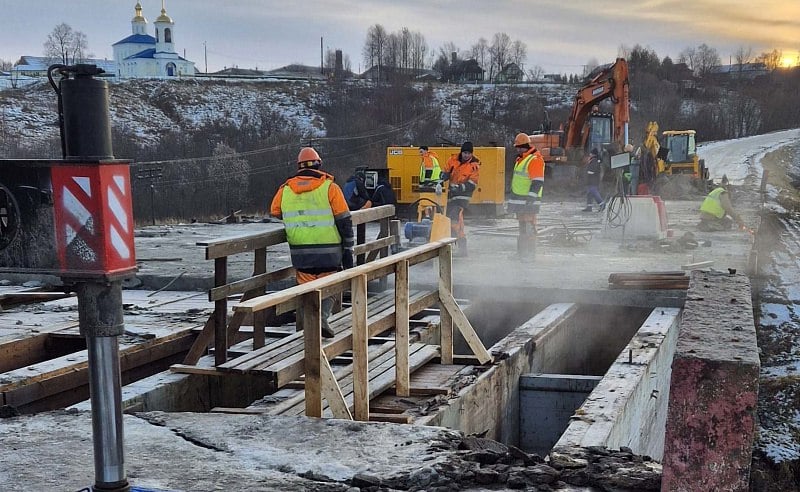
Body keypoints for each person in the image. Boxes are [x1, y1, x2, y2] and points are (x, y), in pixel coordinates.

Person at [270, 147, 355, 338]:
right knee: (330, 285)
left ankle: (307, 330)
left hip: (300, 252)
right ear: (319, 164)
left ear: (298, 167)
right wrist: (348, 248)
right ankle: (322, 319)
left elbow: (275, 211)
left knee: (307, 287)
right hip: (329, 252)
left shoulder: (285, 189)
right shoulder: (330, 187)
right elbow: (344, 220)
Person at [507, 132, 545, 259]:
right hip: (520, 200)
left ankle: (529, 253)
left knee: (529, 227)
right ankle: (522, 253)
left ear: (524, 146)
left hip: (528, 200)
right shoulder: (522, 159)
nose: (517, 149)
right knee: (523, 227)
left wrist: (531, 197)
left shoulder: (534, 159)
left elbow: (537, 181)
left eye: (518, 147)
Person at [444, 141, 480, 255]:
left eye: (469, 153)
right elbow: (445, 171)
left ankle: (459, 245)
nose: (466, 155)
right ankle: (454, 244)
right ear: (461, 152)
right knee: (449, 219)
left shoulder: (474, 166)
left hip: (462, 197)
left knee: (455, 219)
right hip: (451, 195)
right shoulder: (453, 160)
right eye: (465, 153)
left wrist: (459, 188)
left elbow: (473, 184)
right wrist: (442, 178)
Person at [582, 148, 605, 212]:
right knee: (589, 193)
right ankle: (589, 207)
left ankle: (602, 204)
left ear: (593, 154)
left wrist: (588, 172)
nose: (589, 154)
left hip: (593, 179)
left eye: (590, 153)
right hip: (592, 179)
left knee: (594, 192)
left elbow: (593, 170)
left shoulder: (594, 161)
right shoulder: (595, 160)